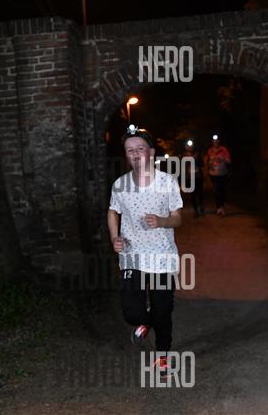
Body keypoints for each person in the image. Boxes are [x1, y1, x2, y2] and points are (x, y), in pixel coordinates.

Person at [107, 125, 183, 378]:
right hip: (132, 255)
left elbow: (177, 218)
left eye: (140, 148)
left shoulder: (167, 182)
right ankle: (145, 321)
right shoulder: (120, 185)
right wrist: (114, 238)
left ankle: (163, 358)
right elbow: (112, 212)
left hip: (162, 256)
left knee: (163, 310)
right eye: (130, 150)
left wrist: (161, 221)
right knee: (132, 313)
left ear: (151, 152)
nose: (135, 153)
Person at [205, 134, 231, 216]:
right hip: (213, 174)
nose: (215, 142)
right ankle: (219, 208)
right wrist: (210, 163)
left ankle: (221, 206)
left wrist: (223, 159)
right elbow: (206, 162)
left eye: (217, 140)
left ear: (219, 141)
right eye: (214, 141)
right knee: (216, 191)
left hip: (223, 173)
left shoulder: (224, 150)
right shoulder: (209, 151)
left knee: (222, 190)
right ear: (212, 142)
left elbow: (229, 161)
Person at [183, 141, 205, 217]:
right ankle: (196, 210)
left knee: (200, 193)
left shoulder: (197, 154)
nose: (189, 147)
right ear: (186, 147)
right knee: (192, 194)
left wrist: (195, 160)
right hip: (189, 178)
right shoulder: (184, 156)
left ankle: (201, 205)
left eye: (191, 146)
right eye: (188, 146)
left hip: (198, 177)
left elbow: (202, 164)